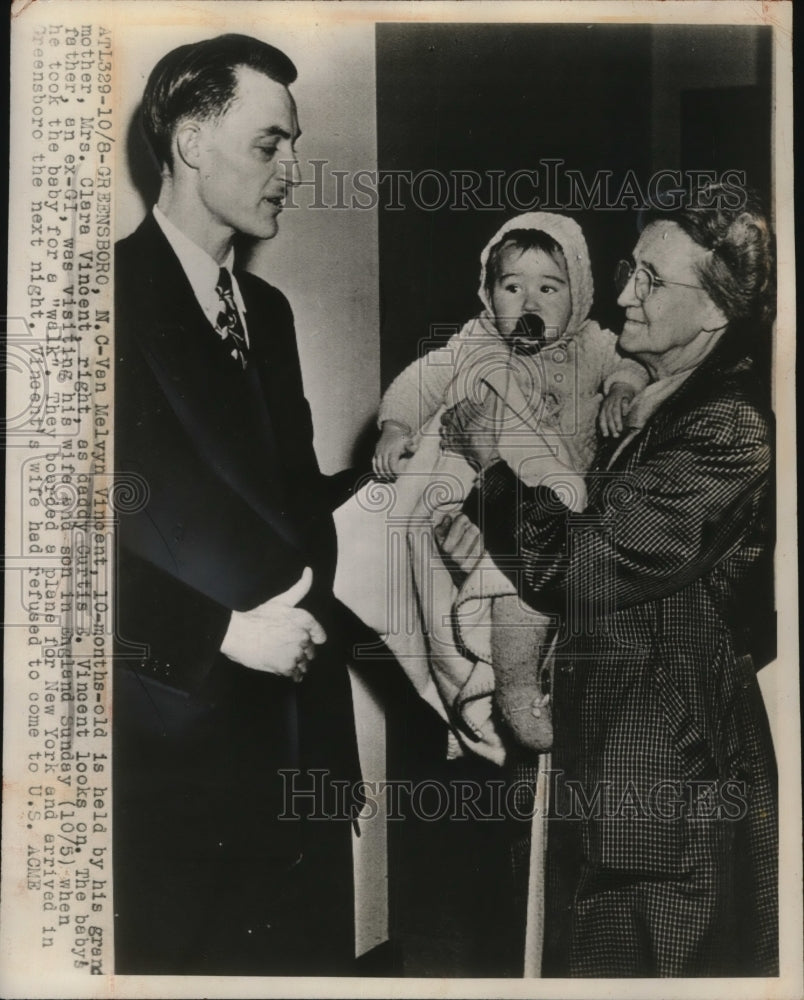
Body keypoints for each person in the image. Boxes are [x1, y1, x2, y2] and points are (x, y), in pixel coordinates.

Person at [437, 189, 777, 976]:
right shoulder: (657, 408)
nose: (624, 294)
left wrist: (491, 470)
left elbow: (583, 563)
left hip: (664, 781)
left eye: (653, 282)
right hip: (617, 755)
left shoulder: (728, 425)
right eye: (632, 272)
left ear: (717, 312)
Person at [113, 34, 362, 975]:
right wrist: (218, 632)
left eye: (292, 146)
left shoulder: (272, 316)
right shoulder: (94, 300)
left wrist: (383, 482)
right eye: (270, 146)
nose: (293, 172)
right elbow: (51, 558)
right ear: (188, 142)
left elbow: (281, 514)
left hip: (299, 749)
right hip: (178, 754)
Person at [364, 213, 647, 754]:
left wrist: (620, 393)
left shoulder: (591, 342)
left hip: (551, 508)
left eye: (549, 287)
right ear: (489, 295)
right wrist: (395, 426)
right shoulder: (477, 341)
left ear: (580, 294)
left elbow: (629, 365)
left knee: (523, 596)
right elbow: (423, 377)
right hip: (479, 496)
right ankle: (475, 687)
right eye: (511, 287)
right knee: (457, 563)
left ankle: (514, 688)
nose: (529, 302)